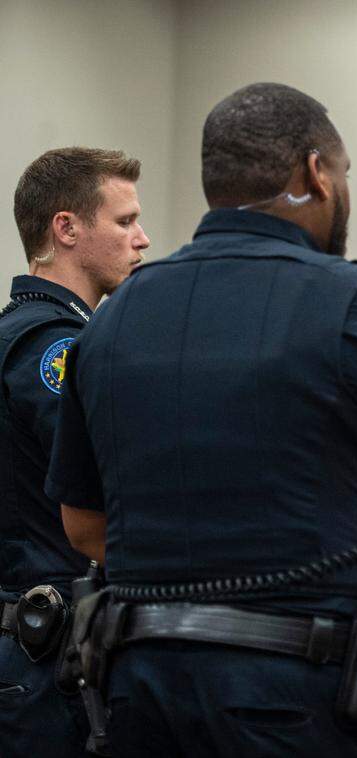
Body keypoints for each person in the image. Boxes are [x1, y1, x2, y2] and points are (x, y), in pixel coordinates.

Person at [45, 83, 357, 757]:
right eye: (344, 173)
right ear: (315, 173)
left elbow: (84, 524)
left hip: (141, 698)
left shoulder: (109, 325)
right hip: (308, 701)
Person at [0, 147, 149, 758]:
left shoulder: (20, 331)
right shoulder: (53, 348)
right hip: (45, 654)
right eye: (124, 221)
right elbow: (117, 481)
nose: (142, 239)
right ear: (66, 228)